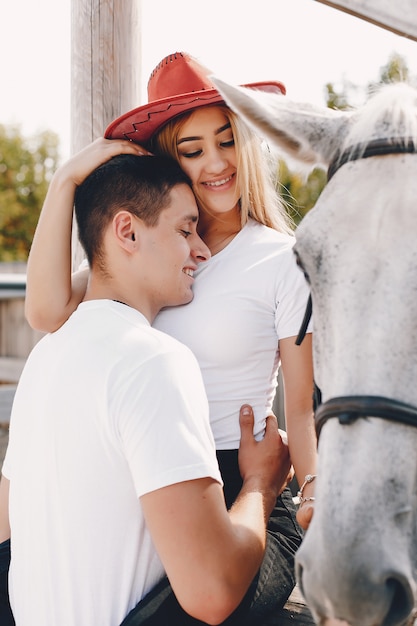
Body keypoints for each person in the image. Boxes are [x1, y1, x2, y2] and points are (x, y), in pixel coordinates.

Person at [25, 52, 317, 623]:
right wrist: (66, 180)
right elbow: (46, 310)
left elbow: (301, 410)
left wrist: (313, 493)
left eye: (227, 139)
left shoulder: (283, 260)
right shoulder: (160, 253)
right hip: (153, 483)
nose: (216, 162)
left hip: (240, 478)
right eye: (192, 149)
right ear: (169, 159)